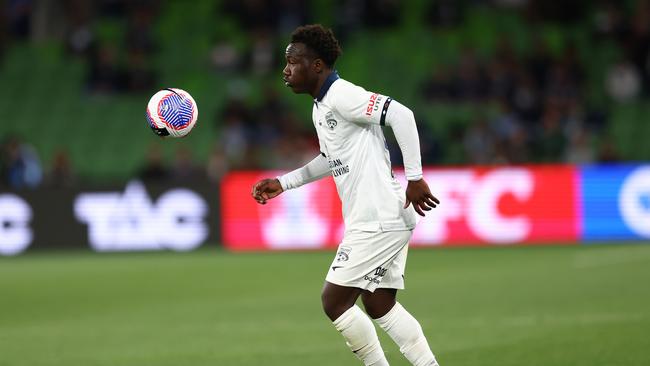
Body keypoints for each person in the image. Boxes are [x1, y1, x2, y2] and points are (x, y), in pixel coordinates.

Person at [251, 24, 441, 366]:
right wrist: (284, 183)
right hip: (381, 218)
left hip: (378, 219)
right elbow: (330, 159)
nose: (286, 69)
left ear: (318, 66)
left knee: (334, 302)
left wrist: (415, 177)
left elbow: (400, 114)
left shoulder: (342, 95)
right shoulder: (321, 107)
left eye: (293, 61)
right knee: (380, 304)